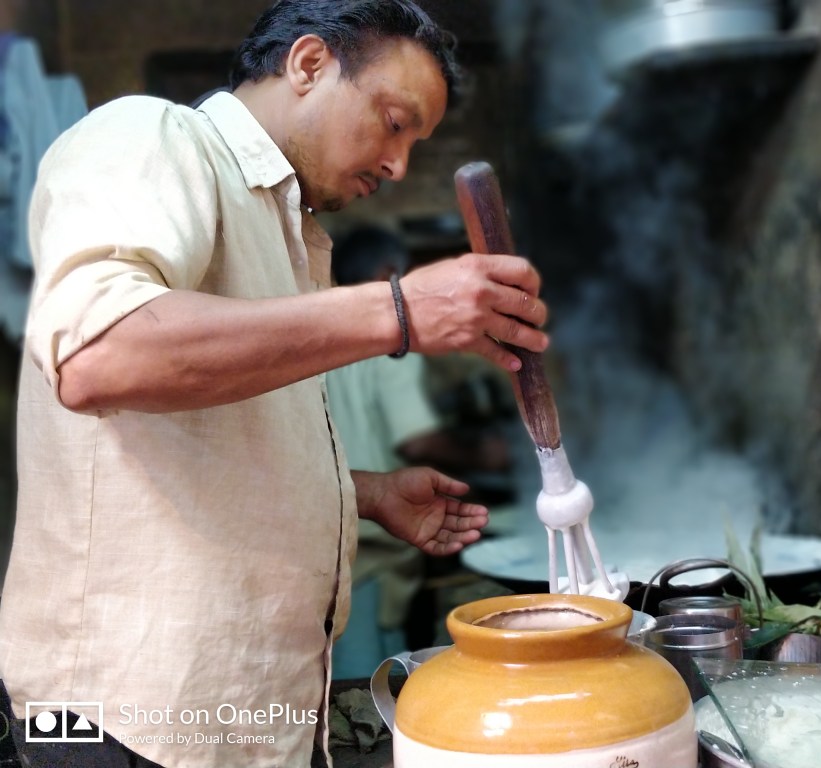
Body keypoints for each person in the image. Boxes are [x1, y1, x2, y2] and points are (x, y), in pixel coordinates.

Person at [0, 2, 548, 767]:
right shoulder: (153, 137)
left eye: (415, 144)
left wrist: (356, 492)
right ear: (309, 64)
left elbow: (197, 446)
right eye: (393, 122)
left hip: (251, 723)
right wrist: (399, 309)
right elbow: (101, 354)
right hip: (121, 719)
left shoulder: (289, 234)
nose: (397, 167)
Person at [325, 226, 510, 678]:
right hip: (371, 552)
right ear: (391, 274)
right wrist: (489, 455)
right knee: (377, 685)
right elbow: (418, 440)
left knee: (343, 683)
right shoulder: (390, 338)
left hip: (325, 540)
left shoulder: (319, 331)